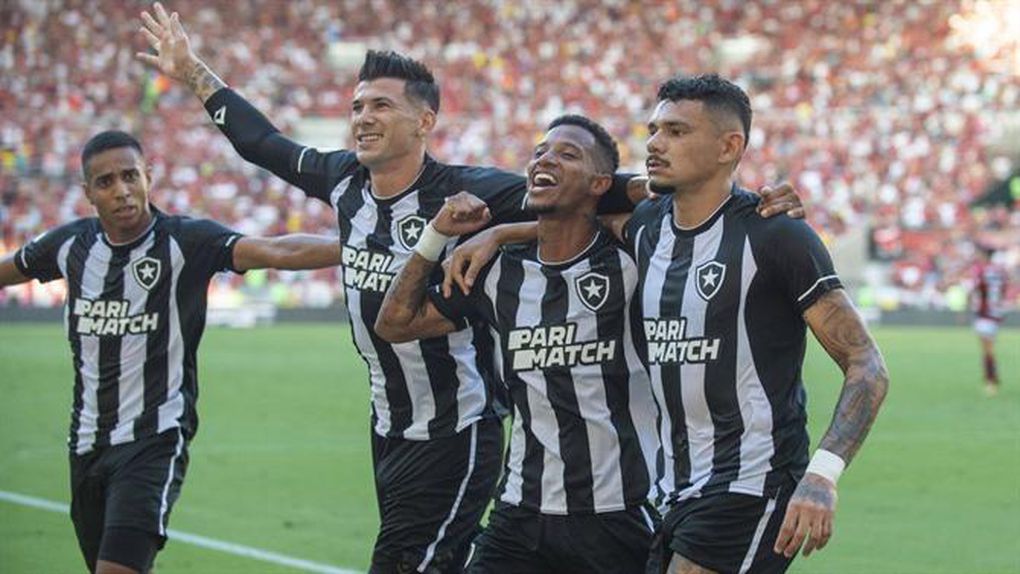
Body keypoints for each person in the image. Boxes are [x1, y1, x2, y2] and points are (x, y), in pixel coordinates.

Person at [137, 6, 801, 571]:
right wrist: (193, 72)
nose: (362, 118)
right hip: (390, 423)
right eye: (357, 106)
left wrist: (747, 201)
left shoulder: (474, 190)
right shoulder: (342, 181)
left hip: (460, 424)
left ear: (424, 122)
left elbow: (596, 196)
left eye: (380, 106)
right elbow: (261, 142)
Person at [447, 75, 889, 574]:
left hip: (752, 483)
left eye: (677, 132)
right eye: (655, 130)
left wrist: (822, 475)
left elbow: (866, 363)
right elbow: (576, 214)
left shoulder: (775, 235)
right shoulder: (647, 229)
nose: (656, 143)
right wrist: (501, 233)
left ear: (729, 147)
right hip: (675, 493)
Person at [0, 130, 340, 574]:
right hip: (85, 444)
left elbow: (275, 249)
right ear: (88, 193)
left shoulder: (187, 241)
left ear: (149, 176)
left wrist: (355, 248)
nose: (122, 190)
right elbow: (9, 270)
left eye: (130, 176)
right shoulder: (68, 246)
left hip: (153, 440)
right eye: (106, 182)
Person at [375, 115, 659, 574]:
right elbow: (394, 324)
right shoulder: (497, 273)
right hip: (519, 514)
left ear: (600, 184)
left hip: (616, 514)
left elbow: (678, 202)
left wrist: (505, 230)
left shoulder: (633, 258)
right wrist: (436, 235)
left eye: (568, 154)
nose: (545, 159)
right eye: (540, 152)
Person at [970, 245, 1008, 395]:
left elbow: (976, 288)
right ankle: (992, 377)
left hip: (985, 313)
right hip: (997, 312)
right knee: (988, 348)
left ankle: (991, 381)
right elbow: (1003, 289)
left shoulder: (981, 270)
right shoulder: (999, 271)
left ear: (985, 255)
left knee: (987, 349)